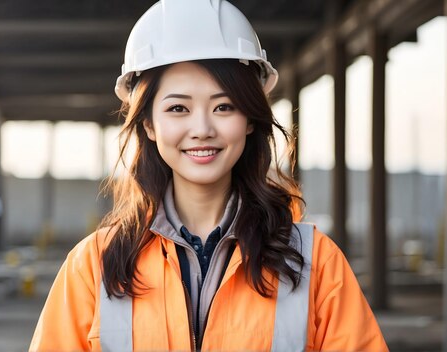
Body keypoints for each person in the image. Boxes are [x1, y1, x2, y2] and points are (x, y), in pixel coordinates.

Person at [29, 0, 388, 350]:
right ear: (149, 124)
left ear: (249, 119)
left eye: (224, 106)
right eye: (178, 108)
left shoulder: (315, 263)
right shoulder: (95, 265)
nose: (201, 128)